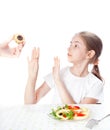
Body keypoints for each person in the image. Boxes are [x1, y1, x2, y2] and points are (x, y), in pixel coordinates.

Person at [24, 31, 104, 104]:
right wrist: (32, 77)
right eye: (70, 44)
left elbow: (78, 113)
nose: (69, 48)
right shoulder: (59, 73)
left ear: (89, 54)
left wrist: (58, 81)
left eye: (76, 45)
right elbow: (29, 103)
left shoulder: (96, 84)